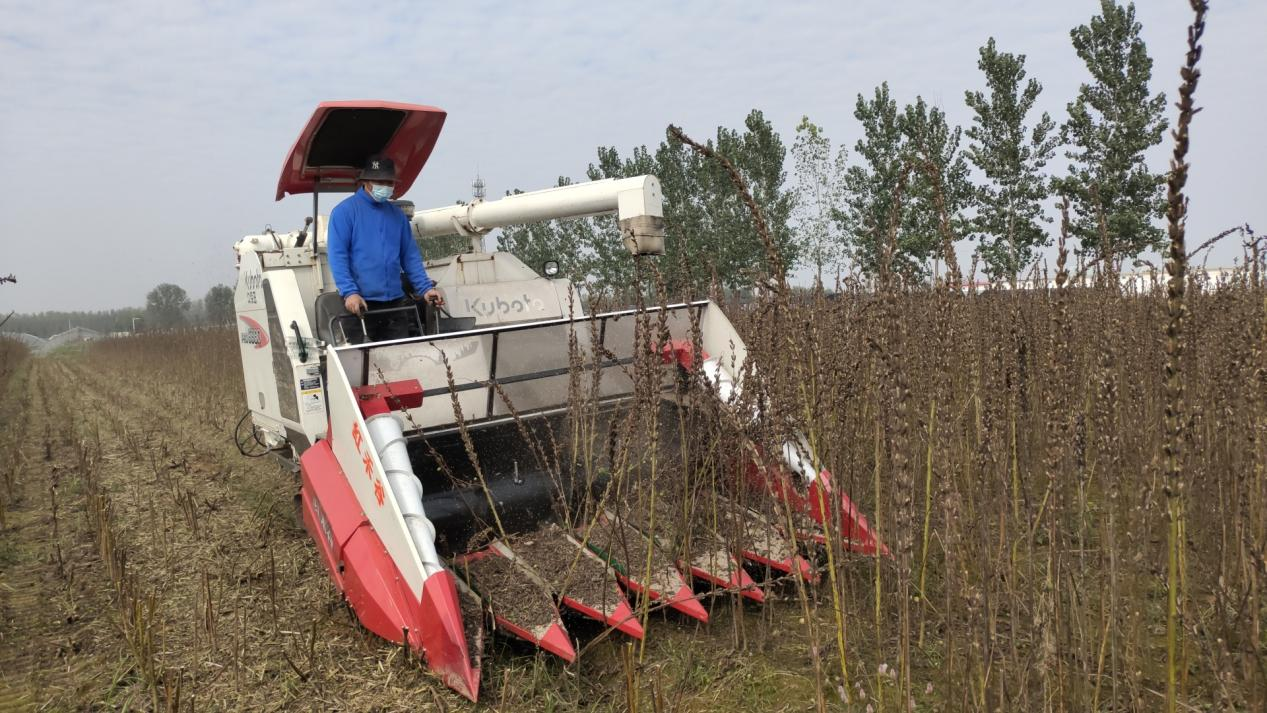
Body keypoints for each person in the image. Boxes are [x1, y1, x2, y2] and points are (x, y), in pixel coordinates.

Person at [327, 155, 444, 342]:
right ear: (365, 181)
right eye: (380, 181)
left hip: (395, 305)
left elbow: (410, 256)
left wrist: (425, 289)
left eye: (389, 182)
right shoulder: (344, 212)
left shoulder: (397, 215)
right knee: (362, 366)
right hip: (361, 305)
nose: (386, 186)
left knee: (401, 359)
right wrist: (350, 292)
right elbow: (337, 256)